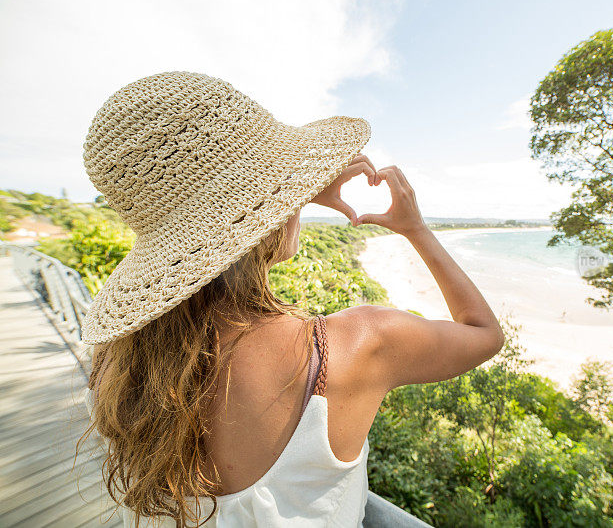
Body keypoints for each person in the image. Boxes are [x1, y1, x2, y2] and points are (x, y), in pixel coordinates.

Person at [80, 71, 504, 528]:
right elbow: (483, 333)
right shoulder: (355, 344)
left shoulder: (118, 364)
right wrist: (415, 229)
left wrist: (284, 196)